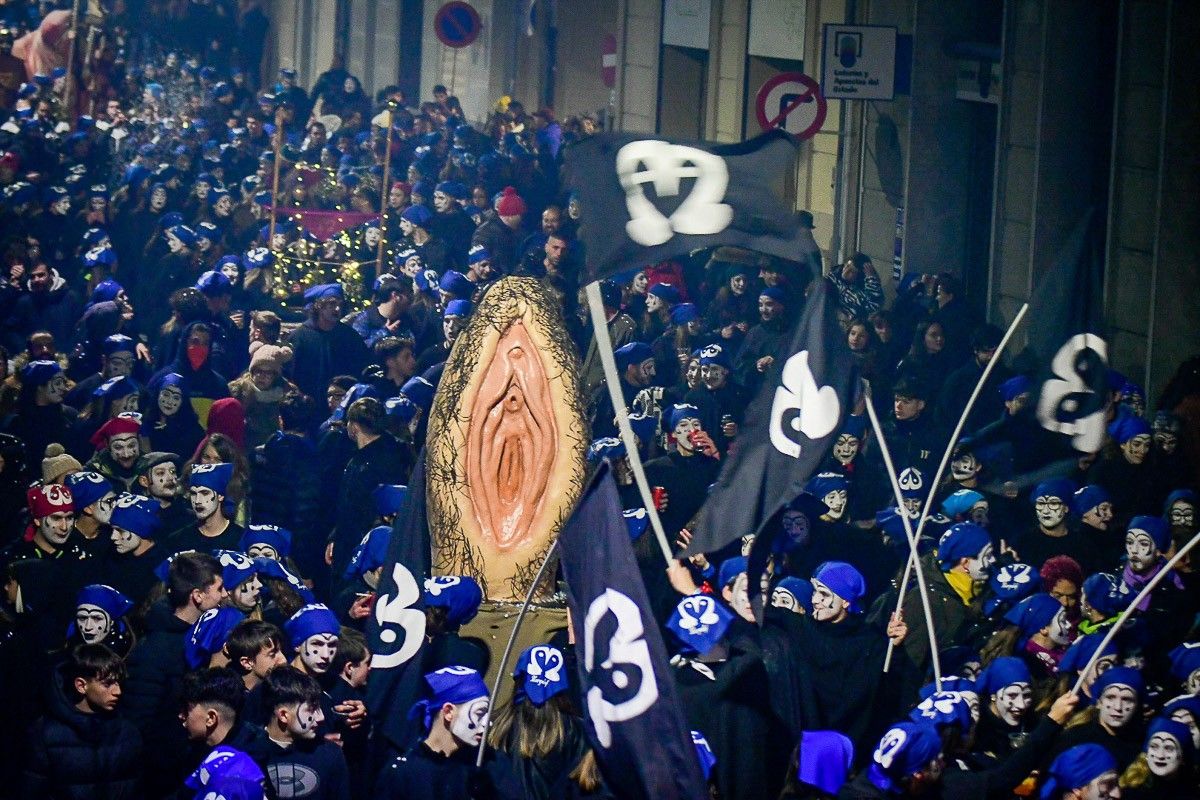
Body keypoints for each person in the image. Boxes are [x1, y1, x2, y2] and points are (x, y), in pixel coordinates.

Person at [123, 551, 226, 795]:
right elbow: (138, 722)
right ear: (198, 596)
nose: (225, 595)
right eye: (220, 588)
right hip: (165, 778)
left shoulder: (211, 639)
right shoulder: (154, 651)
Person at [21, 643, 143, 799]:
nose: (117, 691)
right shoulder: (46, 734)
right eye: (107, 684)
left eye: (118, 682)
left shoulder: (128, 733)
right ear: (81, 685)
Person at [377, 666, 513, 800]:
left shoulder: (480, 772)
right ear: (448, 712)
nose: (486, 723)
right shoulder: (403, 773)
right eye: (479, 713)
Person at [328, 397, 411, 586]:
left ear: (354, 426)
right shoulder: (380, 455)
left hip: (367, 554)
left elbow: (367, 510)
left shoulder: (380, 463)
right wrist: (335, 537)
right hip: (354, 544)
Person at [261, 666, 351, 800]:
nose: (321, 717)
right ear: (284, 715)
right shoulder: (246, 753)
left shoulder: (330, 755)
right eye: (312, 709)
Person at [287, 284, 371, 408]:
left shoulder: (349, 336)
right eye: (331, 304)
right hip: (308, 405)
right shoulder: (300, 336)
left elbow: (361, 367)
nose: (337, 309)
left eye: (339, 305)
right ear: (318, 306)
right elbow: (290, 373)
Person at [165, 462, 244, 554]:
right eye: (194, 493)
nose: (198, 500)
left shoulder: (242, 539)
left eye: (205, 493)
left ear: (220, 496)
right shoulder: (178, 540)